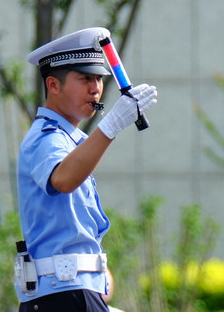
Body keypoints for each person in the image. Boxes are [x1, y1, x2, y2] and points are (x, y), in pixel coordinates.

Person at [15, 27, 157, 311]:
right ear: (53, 85)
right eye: (85, 79)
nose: (95, 88)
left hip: (75, 292)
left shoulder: (72, 142)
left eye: (99, 79)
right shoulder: (47, 137)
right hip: (62, 295)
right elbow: (63, 179)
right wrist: (111, 125)